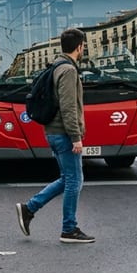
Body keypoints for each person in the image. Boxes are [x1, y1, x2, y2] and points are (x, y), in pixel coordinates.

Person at [15, 28, 95, 244]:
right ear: (80, 47)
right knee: (74, 180)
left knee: (68, 178)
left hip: (53, 131)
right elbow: (69, 107)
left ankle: (29, 208)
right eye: (83, 45)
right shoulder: (68, 70)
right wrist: (76, 137)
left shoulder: (57, 66)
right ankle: (68, 228)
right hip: (63, 133)